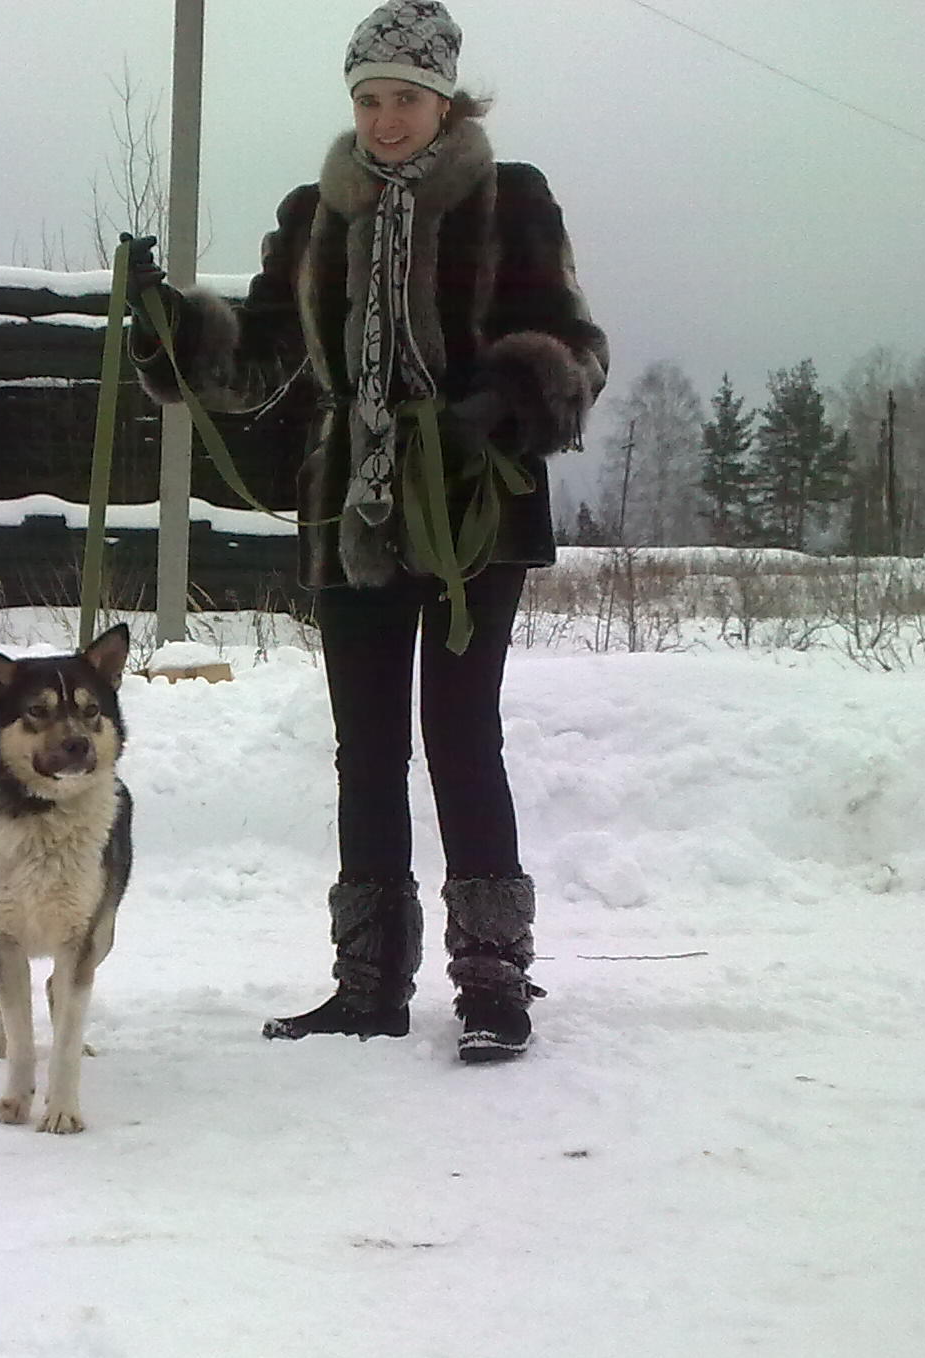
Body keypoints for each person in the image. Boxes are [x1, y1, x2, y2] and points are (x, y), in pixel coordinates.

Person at [125, 0, 607, 1062]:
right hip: (351, 504)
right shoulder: (315, 214)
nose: (385, 120)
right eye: (369, 100)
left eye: (405, 99)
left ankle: (493, 984)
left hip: (475, 506)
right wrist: (170, 328)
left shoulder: (511, 198)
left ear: (445, 102)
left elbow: (578, 345)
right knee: (366, 749)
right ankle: (368, 984)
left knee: (461, 735)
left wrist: (508, 395)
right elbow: (256, 357)